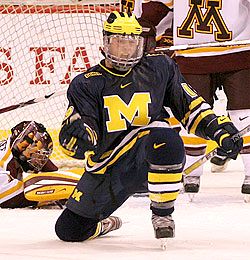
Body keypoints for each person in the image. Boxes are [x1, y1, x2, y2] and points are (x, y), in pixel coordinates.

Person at [55, 11, 243, 243]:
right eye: (118, 43)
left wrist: (218, 129)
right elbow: (86, 130)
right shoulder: (86, 83)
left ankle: (163, 215)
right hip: (111, 166)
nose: (125, 50)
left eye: (131, 43)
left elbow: (190, 106)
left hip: (153, 155)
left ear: (142, 44)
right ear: (105, 43)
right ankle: (106, 224)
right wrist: (77, 140)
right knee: (69, 231)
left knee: (166, 137)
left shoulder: (160, 68)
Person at [134, 0, 250, 195]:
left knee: (244, 113)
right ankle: (192, 172)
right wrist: (146, 25)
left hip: (238, 49)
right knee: (192, 113)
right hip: (192, 53)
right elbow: (161, 6)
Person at [0, 120, 82, 208]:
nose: (38, 161)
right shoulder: (4, 163)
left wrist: (58, 177)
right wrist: (45, 197)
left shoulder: (12, 152)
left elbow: (49, 169)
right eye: (36, 155)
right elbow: (6, 198)